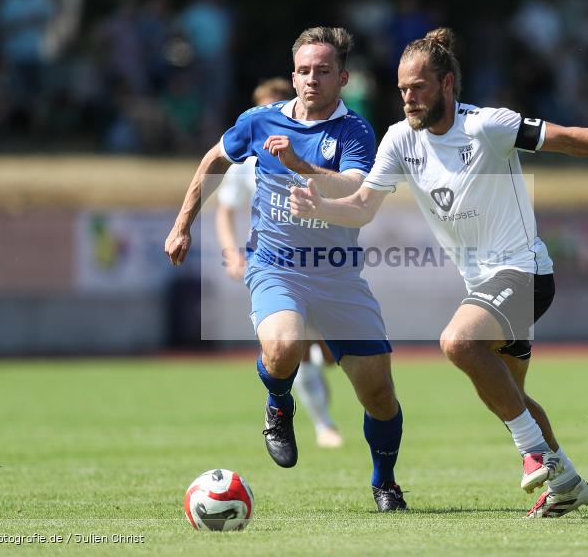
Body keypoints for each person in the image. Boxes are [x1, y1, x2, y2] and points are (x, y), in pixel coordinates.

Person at [290, 28, 588, 518]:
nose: (408, 98)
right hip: (485, 286)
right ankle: (567, 482)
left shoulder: (488, 125)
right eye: (402, 89)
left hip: (525, 274)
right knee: (512, 395)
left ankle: (534, 454)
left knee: (458, 343)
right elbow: (362, 205)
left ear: (446, 84)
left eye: (418, 87)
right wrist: (319, 206)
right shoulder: (400, 139)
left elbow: (571, 139)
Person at [165, 27, 407, 512]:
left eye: (323, 71)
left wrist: (298, 164)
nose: (312, 79)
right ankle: (278, 404)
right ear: (292, 76)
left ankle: (384, 482)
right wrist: (182, 224)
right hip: (276, 266)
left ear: (342, 78)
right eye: (303, 71)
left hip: (338, 274)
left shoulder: (356, 131)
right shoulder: (259, 121)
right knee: (282, 347)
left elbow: (354, 191)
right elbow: (214, 160)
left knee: (379, 394)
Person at [215, 77, 344, 450]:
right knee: (293, 348)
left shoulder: (314, 151)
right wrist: (231, 252)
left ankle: (317, 400)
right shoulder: (246, 163)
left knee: (329, 356)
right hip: (275, 267)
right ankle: (322, 424)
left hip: (322, 266)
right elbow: (225, 209)